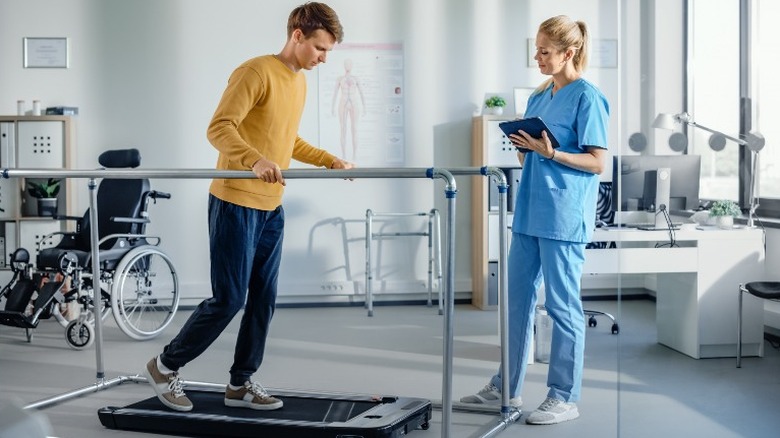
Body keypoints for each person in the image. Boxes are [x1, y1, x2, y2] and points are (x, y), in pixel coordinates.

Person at [143, 2, 353, 412]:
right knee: (229, 299)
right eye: (320, 49)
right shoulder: (255, 71)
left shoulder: (298, 82)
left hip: (271, 208)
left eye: (328, 51)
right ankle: (165, 365)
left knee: (263, 298)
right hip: (235, 203)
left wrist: (330, 160)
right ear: (297, 35)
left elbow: (285, 141)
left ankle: (240, 383)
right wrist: (254, 160)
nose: (324, 59)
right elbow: (220, 127)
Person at [460, 15, 609, 425]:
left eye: (545, 51)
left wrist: (551, 154)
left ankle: (564, 395)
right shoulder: (539, 97)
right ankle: (505, 386)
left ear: (569, 52)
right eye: (537, 49)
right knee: (516, 304)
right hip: (528, 212)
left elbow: (597, 162)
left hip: (564, 216)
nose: (537, 57)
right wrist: (523, 147)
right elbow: (529, 158)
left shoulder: (588, 97)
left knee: (563, 308)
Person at [331, 58, 366, 161]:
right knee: (343, 129)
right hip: (343, 102)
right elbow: (335, 93)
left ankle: (355, 155)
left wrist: (364, 107)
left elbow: (361, 93)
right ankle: (344, 155)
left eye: (349, 63)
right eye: (346, 63)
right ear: (343, 65)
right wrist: (332, 107)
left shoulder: (356, 78)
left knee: (354, 129)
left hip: (354, 103)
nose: (347, 65)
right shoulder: (339, 79)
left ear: (352, 65)